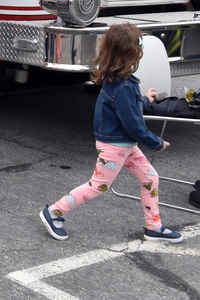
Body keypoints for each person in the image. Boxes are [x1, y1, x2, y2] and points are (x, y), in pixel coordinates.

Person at [39, 23, 184, 243]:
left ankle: (153, 226)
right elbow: (133, 126)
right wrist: (155, 142)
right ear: (133, 51)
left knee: (150, 178)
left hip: (123, 145)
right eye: (141, 42)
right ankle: (53, 213)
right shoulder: (123, 86)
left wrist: (144, 99)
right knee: (97, 186)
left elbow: (127, 111)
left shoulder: (120, 82)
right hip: (116, 147)